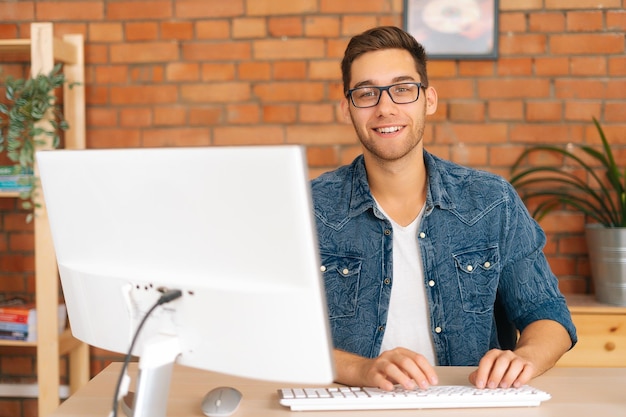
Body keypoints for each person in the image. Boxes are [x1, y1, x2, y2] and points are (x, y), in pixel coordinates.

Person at [310, 26, 577, 392]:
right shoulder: (311, 208)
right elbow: (275, 330)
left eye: (402, 89)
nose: (385, 108)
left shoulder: (491, 200)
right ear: (347, 109)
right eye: (367, 93)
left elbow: (547, 314)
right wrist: (360, 370)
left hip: (470, 402)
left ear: (428, 100)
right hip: (347, 403)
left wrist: (523, 358)